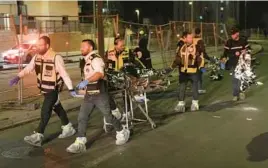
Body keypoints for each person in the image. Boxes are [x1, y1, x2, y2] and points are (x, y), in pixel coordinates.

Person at [9, 36, 76, 147]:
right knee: (57, 107)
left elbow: (64, 74)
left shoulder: (56, 57)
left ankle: (38, 135)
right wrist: (18, 76)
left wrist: (71, 88)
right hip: (44, 90)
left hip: (53, 90)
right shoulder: (36, 57)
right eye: (37, 45)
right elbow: (28, 68)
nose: (38, 47)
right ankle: (68, 127)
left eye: (40, 45)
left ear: (47, 46)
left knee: (45, 110)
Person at [66, 39, 130, 153]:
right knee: (82, 117)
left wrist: (85, 82)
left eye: (83, 47)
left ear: (90, 48)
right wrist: (79, 90)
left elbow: (99, 74)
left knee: (108, 116)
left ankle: (122, 131)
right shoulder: (86, 61)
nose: (81, 48)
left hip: (100, 93)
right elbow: (89, 78)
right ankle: (80, 141)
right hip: (89, 95)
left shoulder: (96, 59)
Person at [171, 32, 204, 112]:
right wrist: (172, 66)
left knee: (194, 88)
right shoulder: (181, 47)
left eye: (191, 38)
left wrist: (201, 66)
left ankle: (195, 103)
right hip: (183, 72)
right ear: (185, 39)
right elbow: (178, 58)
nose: (191, 39)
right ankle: (181, 104)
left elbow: (200, 58)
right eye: (189, 38)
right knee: (182, 88)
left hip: (193, 71)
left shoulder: (196, 47)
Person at [221, 27, 250, 101]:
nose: (232, 36)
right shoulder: (229, 42)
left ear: (238, 33)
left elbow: (249, 50)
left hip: (242, 63)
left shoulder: (243, 41)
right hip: (233, 64)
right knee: (234, 79)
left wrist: (245, 51)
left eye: (234, 34)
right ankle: (235, 95)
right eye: (231, 34)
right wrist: (223, 59)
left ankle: (241, 92)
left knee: (242, 79)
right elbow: (225, 53)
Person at [193, 28, 215, 94]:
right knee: (199, 75)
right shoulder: (200, 41)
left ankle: (195, 88)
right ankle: (199, 89)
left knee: (193, 75)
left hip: (191, 60)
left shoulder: (191, 40)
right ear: (200, 33)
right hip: (199, 60)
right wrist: (209, 58)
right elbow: (203, 52)